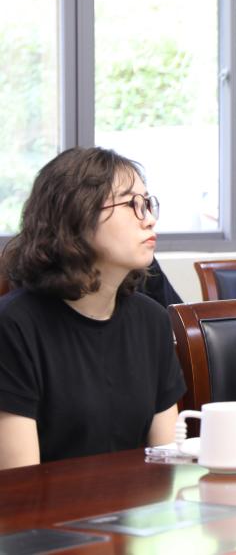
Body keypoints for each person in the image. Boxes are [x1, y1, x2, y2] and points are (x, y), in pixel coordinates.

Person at [0, 147, 186, 469]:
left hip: (137, 501)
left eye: (147, 204)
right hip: (43, 502)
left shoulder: (152, 319)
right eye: (131, 205)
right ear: (76, 216)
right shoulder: (13, 326)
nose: (149, 219)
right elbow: (20, 483)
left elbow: (165, 464)